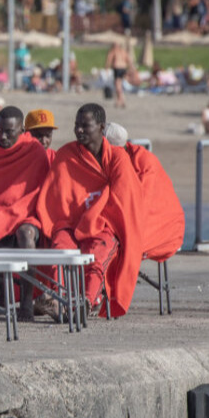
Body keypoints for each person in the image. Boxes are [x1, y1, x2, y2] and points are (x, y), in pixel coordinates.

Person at [36, 103, 143, 317]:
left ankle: (87, 300)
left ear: (101, 127)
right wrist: (71, 223)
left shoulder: (117, 158)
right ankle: (59, 300)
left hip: (104, 223)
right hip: (69, 223)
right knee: (61, 250)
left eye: (85, 126)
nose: (79, 130)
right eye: (77, 125)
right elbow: (56, 199)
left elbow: (122, 201)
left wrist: (93, 218)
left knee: (98, 253)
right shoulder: (66, 153)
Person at [0, 106, 51, 319]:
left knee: (26, 235)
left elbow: (37, 192)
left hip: (24, 214)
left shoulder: (34, 150)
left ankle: (26, 303)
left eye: (9, 132)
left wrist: (14, 214)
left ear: (22, 130)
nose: (3, 136)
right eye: (0, 130)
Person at [107, 124, 184, 264]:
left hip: (165, 228)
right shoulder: (126, 157)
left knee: (111, 242)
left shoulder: (142, 163)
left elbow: (140, 206)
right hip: (147, 221)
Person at [106, 41, 131, 109]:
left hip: (117, 68)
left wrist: (107, 69)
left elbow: (109, 59)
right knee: (120, 85)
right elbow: (129, 60)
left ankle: (120, 100)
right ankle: (120, 100)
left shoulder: (113, 51)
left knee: (117, 85)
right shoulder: (123, 51)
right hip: (124, 68)